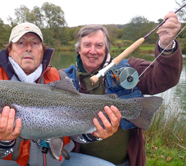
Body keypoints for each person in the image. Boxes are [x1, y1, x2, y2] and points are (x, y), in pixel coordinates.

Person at [0, 22, 122, 166]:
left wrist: (94, 133)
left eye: (35, 43)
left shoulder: (59, 78)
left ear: (42, 50)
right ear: (10, 50)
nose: (28, 48)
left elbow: (74, 129)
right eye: (21, 43)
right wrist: (2, 140)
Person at [63, 11, 183, 166]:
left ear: (106, 49)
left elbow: (164, 79)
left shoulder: (129, 68)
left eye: (99, 45)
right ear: (78, 49)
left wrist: (166, 45)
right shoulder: (63, 78)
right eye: (87, 45)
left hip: (126, 162)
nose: (92, 51)